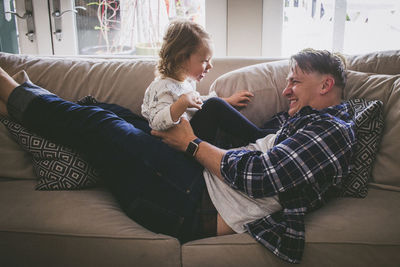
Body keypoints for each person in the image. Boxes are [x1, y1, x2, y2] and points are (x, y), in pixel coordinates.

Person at [0, 48, 356, 264]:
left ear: (326, 84)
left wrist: (191, 144)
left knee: (102, 124)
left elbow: (261, 176)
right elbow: (258, 141)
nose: (285, 90)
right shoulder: (310, 122)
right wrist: (216, 109)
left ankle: (12, 92)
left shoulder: (333, 133)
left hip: (193, 205)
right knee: (115, 115)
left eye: (295, 81)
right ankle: (35, 104)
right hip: (200, 185)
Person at [142, 19, 272, 144]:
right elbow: (156, 122)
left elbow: (197, 103)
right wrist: (183, 102)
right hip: (177, 145)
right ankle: (260, 137)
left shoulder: (186, 82)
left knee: (215, 104)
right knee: (213, 105)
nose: (210, 66)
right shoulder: (161, 87)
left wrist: (227, 102)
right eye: (205, 61)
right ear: (181, 58)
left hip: (193, 135)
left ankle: (258, 137)